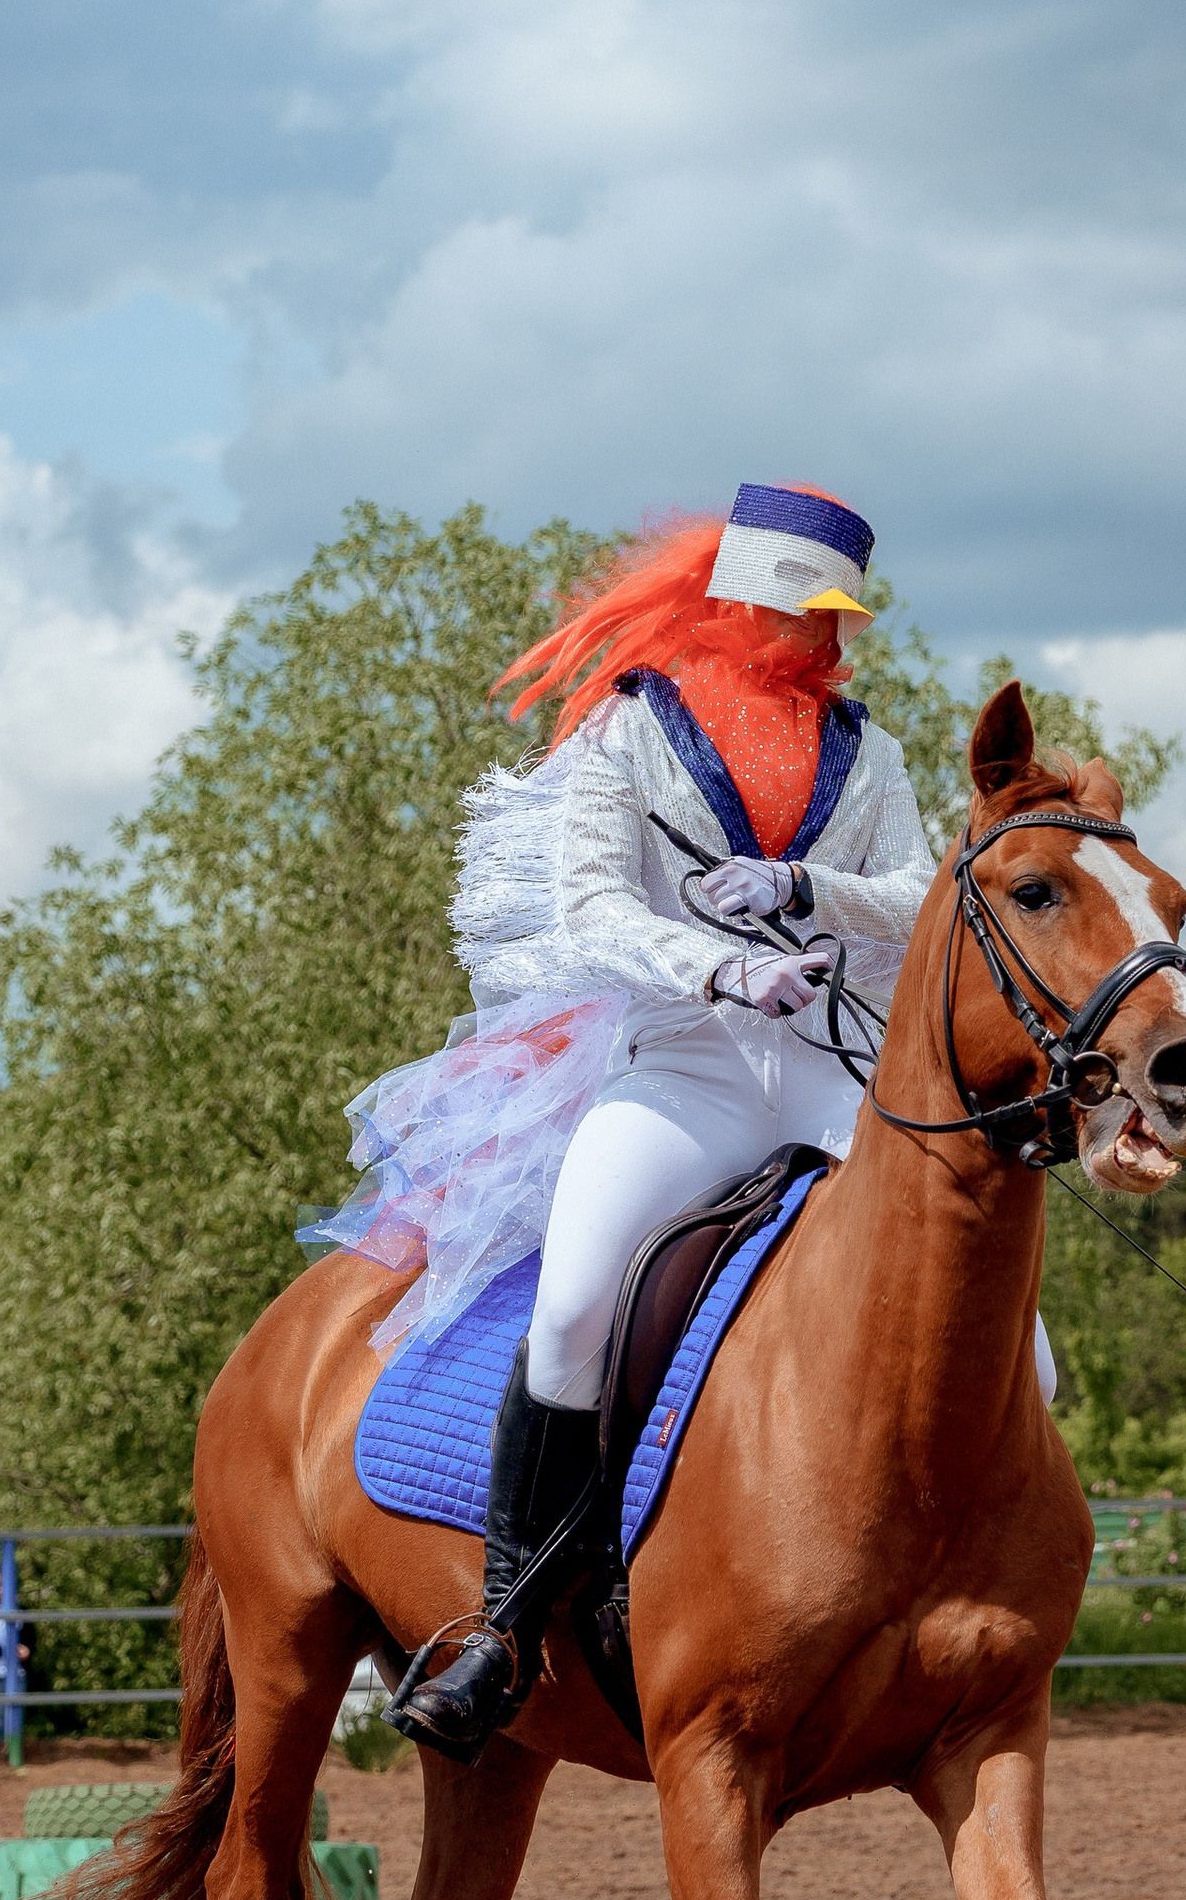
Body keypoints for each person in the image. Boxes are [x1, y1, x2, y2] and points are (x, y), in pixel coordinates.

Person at [314, 484, 942, 1765]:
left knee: (1002, 1329)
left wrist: (805, 886)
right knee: (574, 1305)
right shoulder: (626, 736)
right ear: (752, 600)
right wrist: (717, 965)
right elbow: (593, 910)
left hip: (827, 1068)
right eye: (811, 618)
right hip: (684, 1069)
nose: (832, 646)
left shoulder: (866, 754)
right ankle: (502, 1619)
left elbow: (924, 892)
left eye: (840, 624)